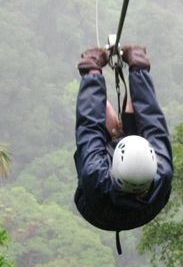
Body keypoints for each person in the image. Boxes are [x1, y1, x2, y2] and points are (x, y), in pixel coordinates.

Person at [73, 45, 173, 241]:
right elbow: (152, 122)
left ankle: (115, 131)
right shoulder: (162, 172)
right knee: (134, 106)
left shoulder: (95, 175)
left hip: (97, 211)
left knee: (104, 111)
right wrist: (139, 69)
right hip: (143, 210)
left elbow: (90, 127)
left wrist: (92, 72)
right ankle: (122, 125)